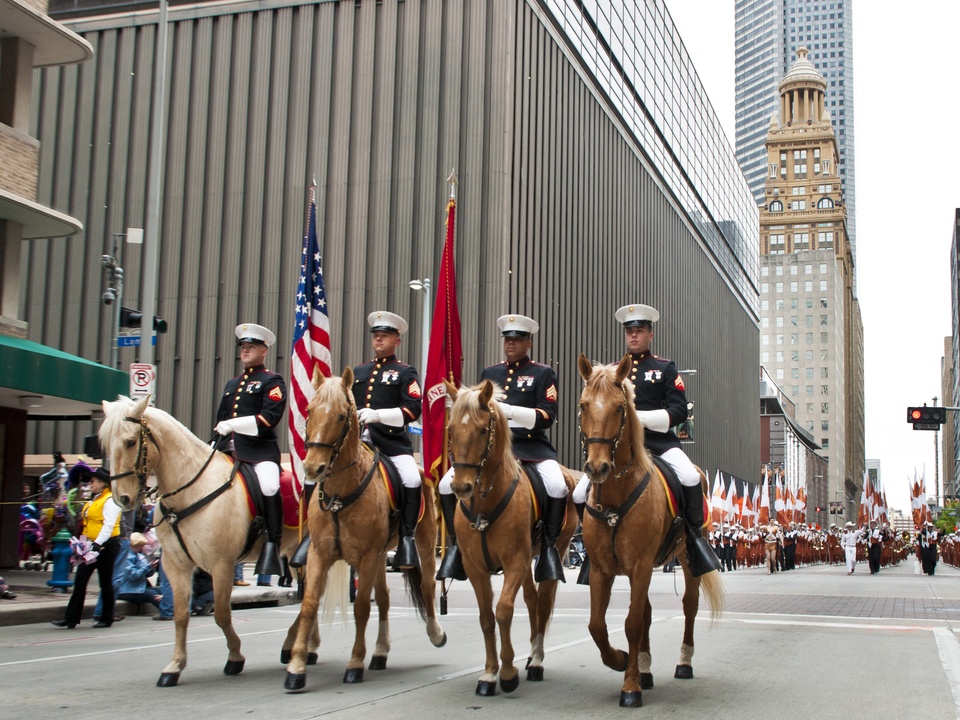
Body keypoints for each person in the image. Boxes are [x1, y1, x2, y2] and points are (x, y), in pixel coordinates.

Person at [573, 304, 720, 577]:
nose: (633, 336)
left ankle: (694, 541)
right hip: (619, 449)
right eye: (629, 331)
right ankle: (593, 550)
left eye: (639, 331)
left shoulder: (664, 367)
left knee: (689, 477)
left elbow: (679, 410)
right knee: (578, 493)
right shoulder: (610, 372)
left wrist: (639, 418)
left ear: (650, 335)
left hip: (659, 444)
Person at [438, 313, 568, 582]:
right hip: (491, 451)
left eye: (518, 339)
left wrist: (510, 412)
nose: (511, 343)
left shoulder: (542, 373)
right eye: (508, 338)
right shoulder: (490, 373)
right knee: (443, 485)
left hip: (531, 447)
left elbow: (548, 415)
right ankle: (456, 547)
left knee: (557, 485)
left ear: (528, 343)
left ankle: (549, 550)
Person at [214, 323, 288, 577]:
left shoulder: (272, 381)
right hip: (226, 450)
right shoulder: (232, 383)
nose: (245, 350)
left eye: (251, 347)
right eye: (243, 347)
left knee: (269, 485)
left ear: (263, 351)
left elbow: (269, 418)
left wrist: (233, 424)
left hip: (259, 451)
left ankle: (272, 542)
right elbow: (221, 418)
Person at [353, 311, 423, 570]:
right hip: (358, 445)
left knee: (412, 478)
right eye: (376, 334)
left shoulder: (405, 372)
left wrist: (379, 415)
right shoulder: (360, 371)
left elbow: (412, 409)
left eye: (385, 335)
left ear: (397, 341)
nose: (379, 338)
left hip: (392, 446)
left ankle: (406, 538)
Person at [52, 469, 122, 629]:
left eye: (93, 482)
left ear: (102, 484)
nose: (90, 484)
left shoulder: (110, 500)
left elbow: (108, 525)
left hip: (106, 545)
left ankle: (107, 617)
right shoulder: (94, 500)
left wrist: (98, 544)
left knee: (105, 583)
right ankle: (71, 618)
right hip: (90, 544)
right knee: (80, 580)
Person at [114, 532, 162, 612]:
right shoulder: (126, 557)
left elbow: (146, 573)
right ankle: (168, 611)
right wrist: (148, 567)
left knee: (162, 591)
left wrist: (152, 567)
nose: (142, 548)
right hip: (127, 590)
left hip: (138, 587)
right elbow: (132, 576)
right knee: (152, 595)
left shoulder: (139, 555)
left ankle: (172, 608)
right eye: (140, 545)